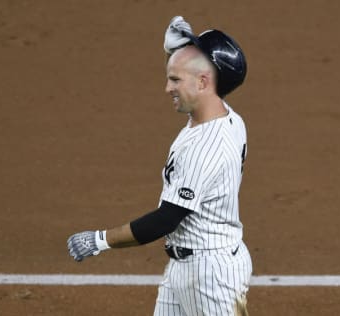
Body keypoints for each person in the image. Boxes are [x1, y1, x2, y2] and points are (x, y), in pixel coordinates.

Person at [67, 16, 252, 315]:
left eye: (175, 80)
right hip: (186, 266)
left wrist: (100, 240)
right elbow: (194, 73)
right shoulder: (223, 114)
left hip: (211, 276)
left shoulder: (206, 149)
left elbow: (166, 219)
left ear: (204, 81)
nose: (168, 88)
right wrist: (178, 48)